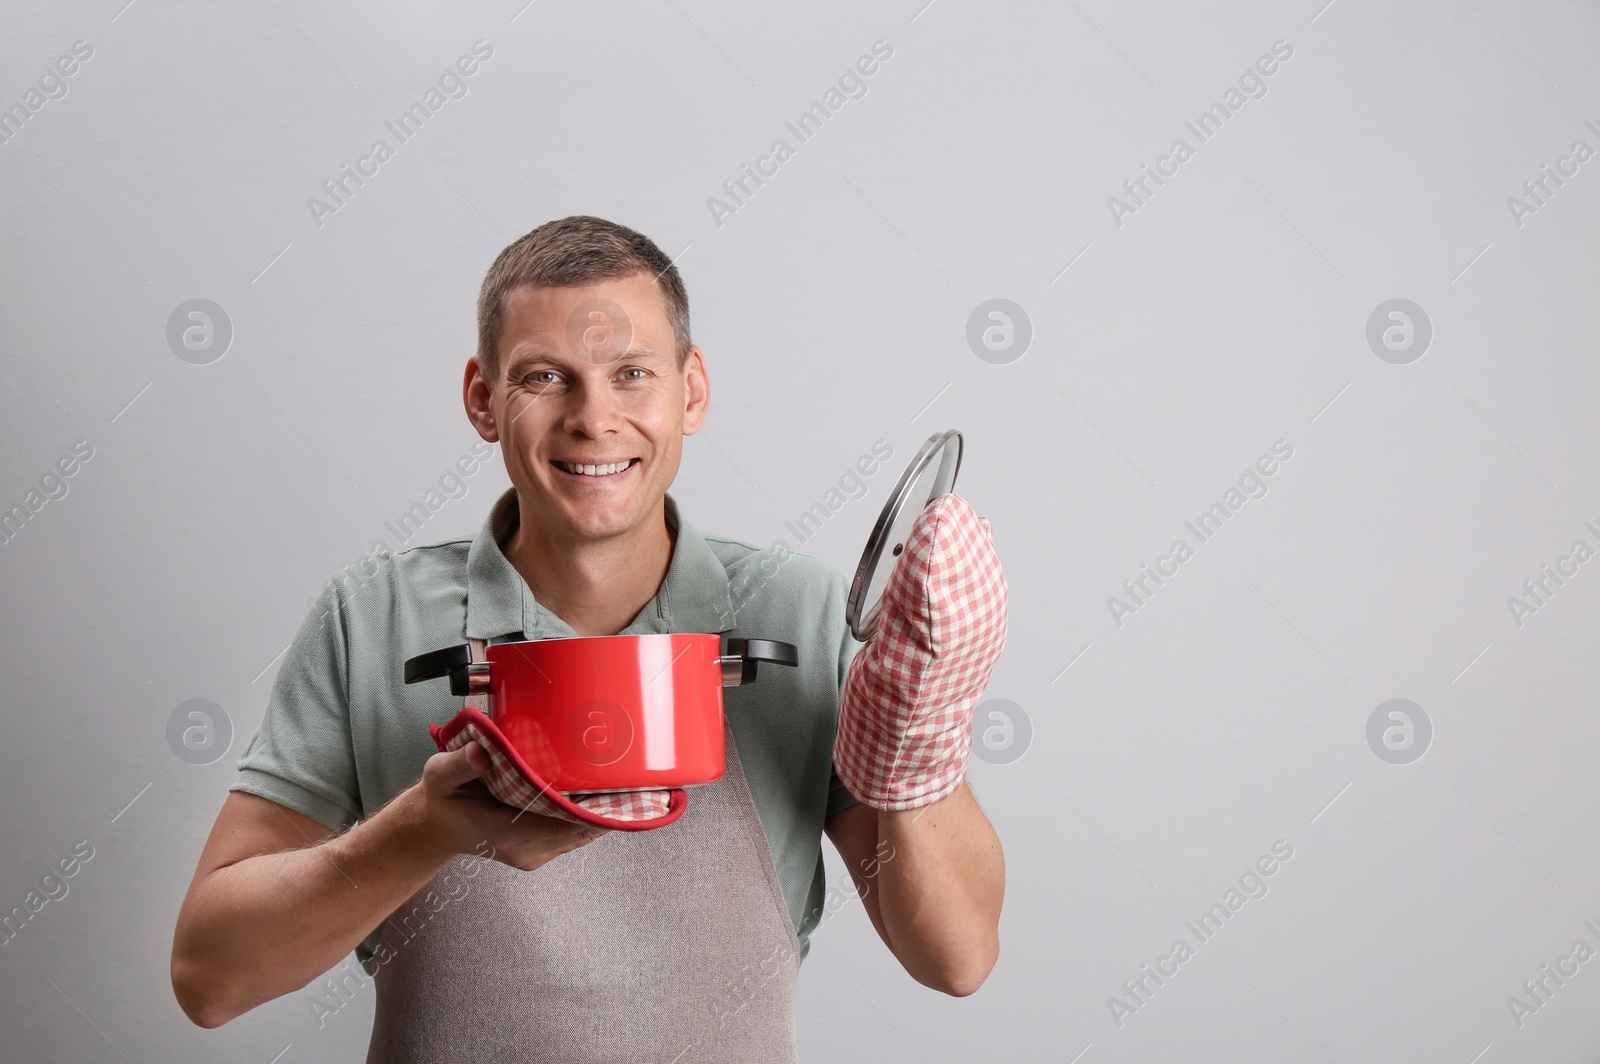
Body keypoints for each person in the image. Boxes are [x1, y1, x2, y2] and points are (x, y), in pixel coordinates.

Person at [170, 215, 1005, 1061]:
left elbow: (957, 957)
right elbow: (210, 978)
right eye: (545, 377)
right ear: (483, 399)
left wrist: (922, 728)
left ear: (692, 390)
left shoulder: (801, 614)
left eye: (632, 374)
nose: (593, 418)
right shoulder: (372, 619)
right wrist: (422, 828)